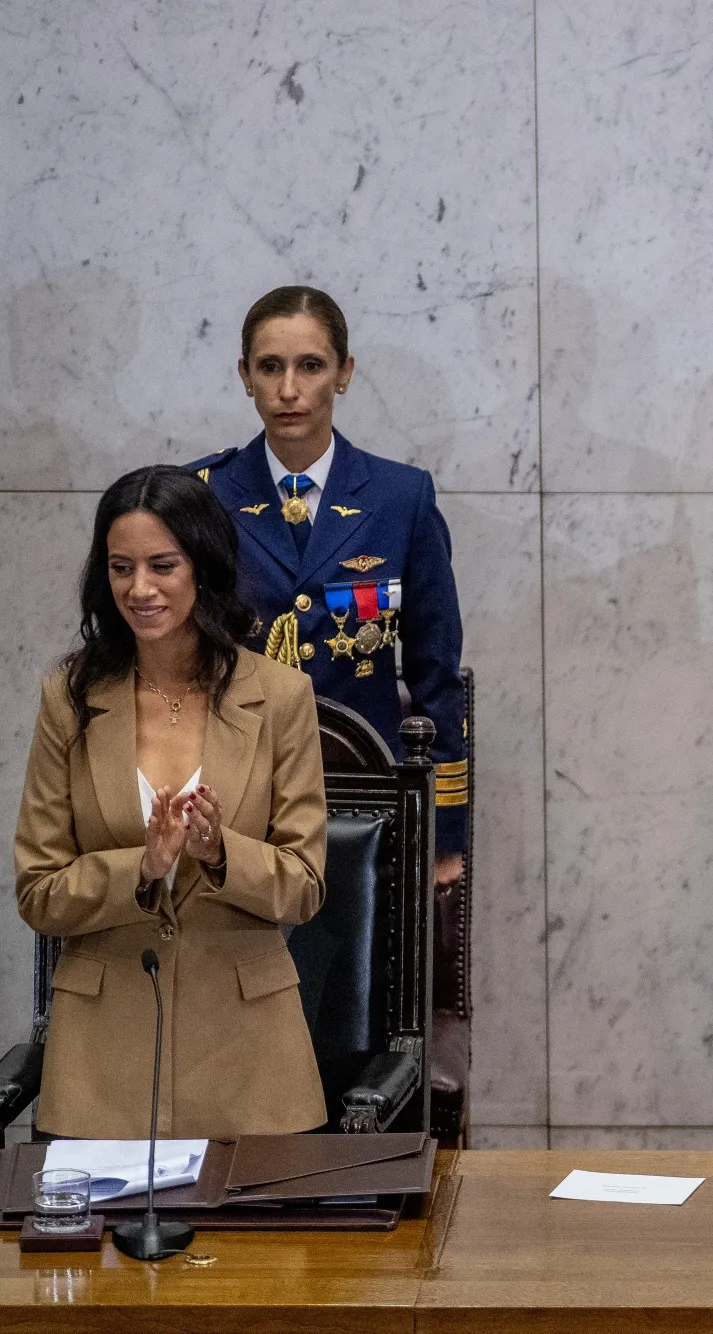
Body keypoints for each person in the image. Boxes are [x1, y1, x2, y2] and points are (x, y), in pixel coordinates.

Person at [14, 466, 327, 1138]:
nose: (139, 588)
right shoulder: (69, 698)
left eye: (162, 565)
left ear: (203, 567)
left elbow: (304, 888)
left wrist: (220, 855)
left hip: (251, 1066)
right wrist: (141, 869)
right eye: (121, 567)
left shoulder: (279, 697)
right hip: (102, 1065)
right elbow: (38, 893)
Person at [188, 287, 469, 884]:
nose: (289, 390)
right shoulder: (201, 498)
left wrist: (442, 831)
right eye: (270, 366)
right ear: (245, 376)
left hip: (365, 798)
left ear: (344, 373)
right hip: (232, 799)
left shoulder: (401, 499)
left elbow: (435, 672)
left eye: (311, 365)